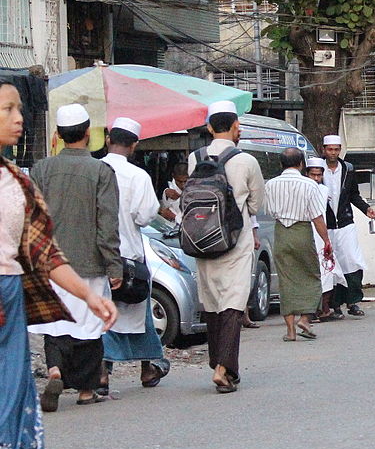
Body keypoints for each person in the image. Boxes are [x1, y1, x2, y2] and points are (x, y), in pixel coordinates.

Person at [0, 79, 116, 449]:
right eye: (7, 109)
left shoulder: (20, 178)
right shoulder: (93, 171)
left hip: (11, 300)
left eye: (19, 109)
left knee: (14, 413)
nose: (18, 118)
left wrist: (88, 295)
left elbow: (43, 251)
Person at [27, 103, 122, 411]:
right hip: (89, 262)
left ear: (57, 134)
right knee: (89, 324)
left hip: (50, 263)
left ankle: (55, 369)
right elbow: (107, 223)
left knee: (56, 322)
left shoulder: (41, 169)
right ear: (88, 133)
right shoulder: (101, 171)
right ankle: (85, 389)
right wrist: (114, 265)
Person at [187, 100, 265, 394]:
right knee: (233, 302)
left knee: (211, 302)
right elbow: (256, 204)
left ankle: (218, 362)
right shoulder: (246, 161)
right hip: (235, 241)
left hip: (201, 239)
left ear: (209, 128)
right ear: (236, 126)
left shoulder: (194, 158)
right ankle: (223, 368)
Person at [100, 117, 170, 392]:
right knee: (138, 313)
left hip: (98, 257)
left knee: (103, 315)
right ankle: (147, 368)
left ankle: (103, 372)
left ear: (108, 139)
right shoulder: (138, 176)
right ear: (134, 145)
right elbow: (145, 216)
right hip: (129, 255)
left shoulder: (96, 169)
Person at [264, 148, 332, 342]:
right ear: (301, 164)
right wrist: (326, 241)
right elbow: (317, 217)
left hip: (281, 232)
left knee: (286, 280)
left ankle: (290, 331)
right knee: (311, 274)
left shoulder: (270, 184)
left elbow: (269, 211)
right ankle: (304, 319)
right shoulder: (309, 185)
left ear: (281, 164)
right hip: (302, 231)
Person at [321, 135, 375, 318]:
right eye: (330, 149)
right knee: (331, 264)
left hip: (345, 223)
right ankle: (334, 304)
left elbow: (354, 195)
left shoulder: (348, 169)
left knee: (352, 260)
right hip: (325, 225)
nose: (333, 153)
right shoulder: (317, 170)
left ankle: (353, 301)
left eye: (336, 149)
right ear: (324, 150)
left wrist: (366, 209)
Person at [305, 157, 345, 321]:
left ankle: (324, 308)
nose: (316, 178)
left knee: (328, 271)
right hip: (306, 234)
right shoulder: (303, 188)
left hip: (322, 235)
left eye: (319, 175)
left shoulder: (324, 190)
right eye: (312, 175)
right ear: (306, 174)